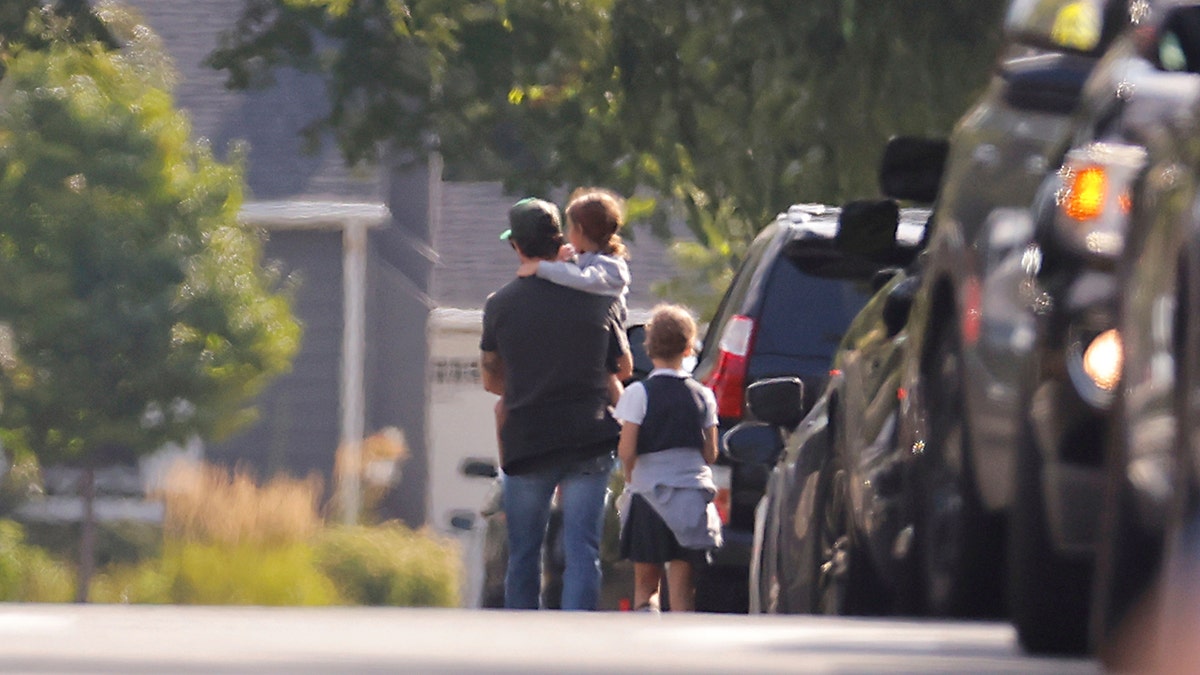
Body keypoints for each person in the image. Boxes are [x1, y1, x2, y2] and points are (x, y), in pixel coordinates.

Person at [480, 197, 632, 611]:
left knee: (524, 554)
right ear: (560, 240)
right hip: (588, 436)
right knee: (583, 550)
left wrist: (524, 387)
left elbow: (491, 377)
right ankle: (578, 634)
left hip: (528, 440)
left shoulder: (501, 304)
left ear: (517, 247)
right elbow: (621, 365)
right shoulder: (599, 297)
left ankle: (522, 641)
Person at [614, 304, 722, 612]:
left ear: (648, 348)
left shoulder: (638, 393)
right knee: (683, 586)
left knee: (646, 583)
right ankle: (679, 640)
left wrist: (631, 474)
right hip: (689, 497)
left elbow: (626, 449)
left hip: (649, 495)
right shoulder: (703, 395)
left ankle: (646, 624)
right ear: (689, 348)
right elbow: (711, 452)